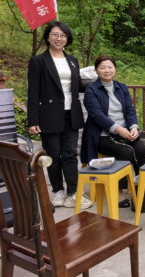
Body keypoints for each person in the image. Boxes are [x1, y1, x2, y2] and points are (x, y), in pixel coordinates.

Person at [27, 21, 92, 209]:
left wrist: (98, 82)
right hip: (48, 115)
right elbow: (33, 92)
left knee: (70, 155)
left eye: (63, 35)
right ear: (48, 37)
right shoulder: (38, 61)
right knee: (53, 155)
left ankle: (73, 192)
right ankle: (58, 191)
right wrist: (33, 120)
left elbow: (76, 85)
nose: (59, 38)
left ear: (67, 38)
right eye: (55, 34)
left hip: (71, 113)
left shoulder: (72, 60)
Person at [82, 56, 145, 208]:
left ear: (115, 69)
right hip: (102, 136)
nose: (107, 70)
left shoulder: (121, 87)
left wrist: (134, 127)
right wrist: (118, 129)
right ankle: (119, 192)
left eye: (110, 67)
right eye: (102, 67)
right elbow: (98, 115)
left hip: (124, 133)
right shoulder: (91, 90)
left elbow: (130, 110)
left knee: (141, 149)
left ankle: (142, 187)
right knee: (126, 152)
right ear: (96, 70)